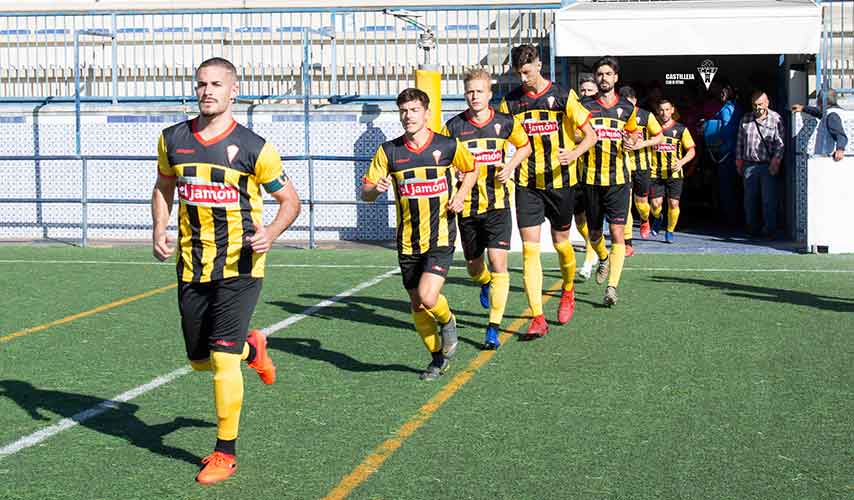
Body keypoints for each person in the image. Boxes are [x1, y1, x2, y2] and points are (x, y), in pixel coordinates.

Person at [150, 57, 301, 484]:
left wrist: (270, 232)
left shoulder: (256, 147)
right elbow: (163, 188)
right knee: (199, 361)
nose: (207, 91)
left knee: (220, 358)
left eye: (217, 84)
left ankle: (224, 452)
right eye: (201, 84)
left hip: (240, 264)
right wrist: (160, 228)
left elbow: (291, 202)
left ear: (234, 91)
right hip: (192, 265)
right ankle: (253, 349)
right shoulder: (172, 139)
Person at [363, 88, 478, 379]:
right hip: (407, 241)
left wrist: (462, 194)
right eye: (403, 111)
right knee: (416, 303)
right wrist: (374, 191)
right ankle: (437, 359)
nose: (408, 116)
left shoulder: (448, 146)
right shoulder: (389, 151)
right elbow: (365, 192)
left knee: (428, 297)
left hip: (440, 236)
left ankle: (449, 321)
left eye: (414, 110)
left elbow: (472, 169)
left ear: (426, 113)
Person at [499, 44, 597, 337]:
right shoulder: (510, 103)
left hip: (561, 184)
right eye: (519, 74)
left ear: (539, 65)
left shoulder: (564, 97)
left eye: (527, 72)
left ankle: (568, 290)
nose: (524, 79)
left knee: (561, 244)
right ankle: (537, 317)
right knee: (530, 251)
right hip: (527, 185)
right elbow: (504, 140)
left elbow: (591, 136)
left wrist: (574, 152)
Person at [441, 69, 532, 350]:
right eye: (470, 91)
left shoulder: (505, 123)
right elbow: (443, 159)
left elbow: (525, 147)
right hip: (467, 207)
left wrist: (510, 165)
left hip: (498, 205)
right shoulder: (453, 127)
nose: (474, 96)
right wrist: (455, 172)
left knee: (499, 264)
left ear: (490, 94)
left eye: (480, 91)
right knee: (474, 266)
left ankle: (493, 328)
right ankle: (482, 283)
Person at [579, 56, 639, 307]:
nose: (603, 78)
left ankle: (612, 288)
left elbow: (634, 133)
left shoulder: (627, 108)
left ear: (616, 78)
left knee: (617, 233)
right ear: (596, 78)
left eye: (608, 74)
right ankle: (602, 258)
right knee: (594, 233)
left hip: (618, 180)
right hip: (590, 178)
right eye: (600, 74)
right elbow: (574, 133)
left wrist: (632, 141)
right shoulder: (584, 106)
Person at [735, 90, 785, 239]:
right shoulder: (746, 118)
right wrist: (738, 162)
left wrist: (776, 161)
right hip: (749, 165)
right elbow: (739, 142)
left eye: (760, 104)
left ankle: (770, 230)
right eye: (754, 105)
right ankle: (752, 229)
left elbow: (780, 143)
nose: (757, 108)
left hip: (767, 165)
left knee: (768, 200)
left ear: (767, 102)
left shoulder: (776, 119)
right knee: (749, 200)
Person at [620, 85, 664, 254]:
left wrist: (642, 144)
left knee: (642, 205)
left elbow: (659, 136)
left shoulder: (646, 116)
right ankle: (627, 243)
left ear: (635, 101)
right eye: (624, 102)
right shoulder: (618, 115)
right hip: (622, 167)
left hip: (642, 167)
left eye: (630, 102)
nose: (627, 106)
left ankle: (645, 219)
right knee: (626, 205)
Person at [649, 97, 696, 243]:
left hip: (675, 173)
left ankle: (669, 231)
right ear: (657, 111)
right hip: (655, 172)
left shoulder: (681, 129)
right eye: (661, 110)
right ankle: (657, 218)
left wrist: (681, 162)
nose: (664, 113)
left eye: (667, 110)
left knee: (673, 204)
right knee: (655, 205)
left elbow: (692, 151)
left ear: (672, 110)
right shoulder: (651, 128)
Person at [703, 82, 744, 228]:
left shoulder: (728, 109)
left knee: (727, 188)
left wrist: (707, 127)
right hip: (732, 153)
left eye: (723, 89)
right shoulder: (735, 107)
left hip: (727, 154)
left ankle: (730, 221)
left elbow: (726, 131)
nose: (720, 92)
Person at [792, 88, 848, 161]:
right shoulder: (835, 112)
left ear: (821, 102)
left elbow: (840, 134)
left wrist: (840, 149)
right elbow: (818, 113)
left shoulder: (832, 116)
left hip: (831, 160)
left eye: (818, 100)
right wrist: (803, 108)